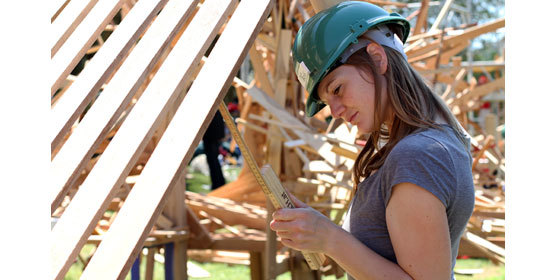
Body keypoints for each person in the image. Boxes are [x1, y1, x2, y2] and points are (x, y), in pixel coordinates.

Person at [269, 2, 475, 280]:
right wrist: (319, 230)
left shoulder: (419, 154)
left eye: (337, 89)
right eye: (329, 102)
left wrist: (330, 239)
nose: (337, 112)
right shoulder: (430, 139)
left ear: (378, 59)